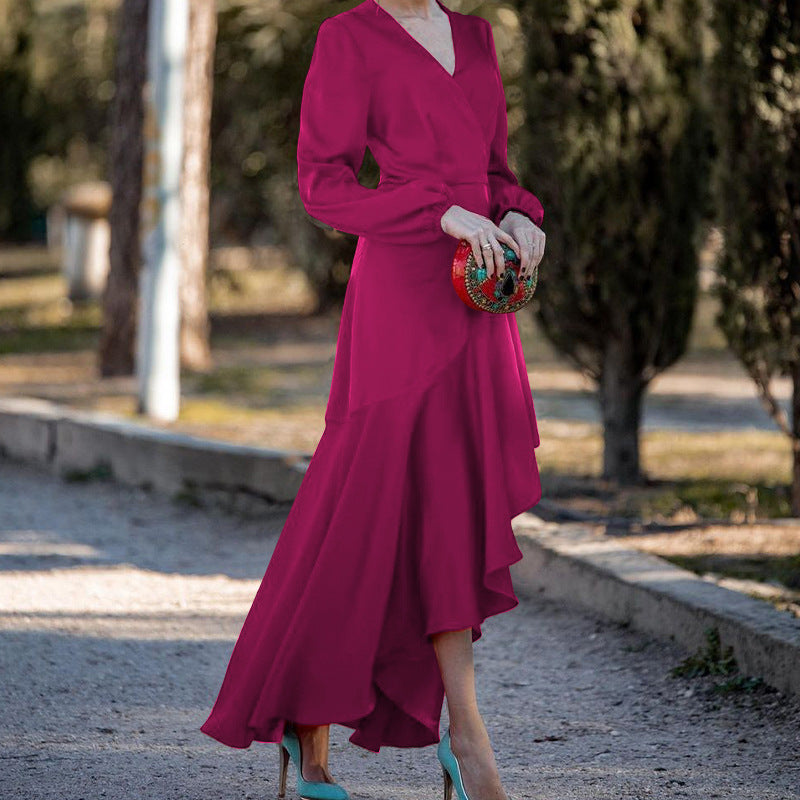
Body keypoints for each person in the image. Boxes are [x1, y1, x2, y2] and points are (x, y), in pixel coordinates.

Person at [200, 2, 547, 799]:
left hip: (475, 299)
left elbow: (494, 171)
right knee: (362, 508)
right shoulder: (346, 37)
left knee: (453, 508)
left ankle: (465, 732)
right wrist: (438, 213)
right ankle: (303, 717)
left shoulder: (476, 35)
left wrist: (519, 215)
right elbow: (323, 185)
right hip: (398, 295)